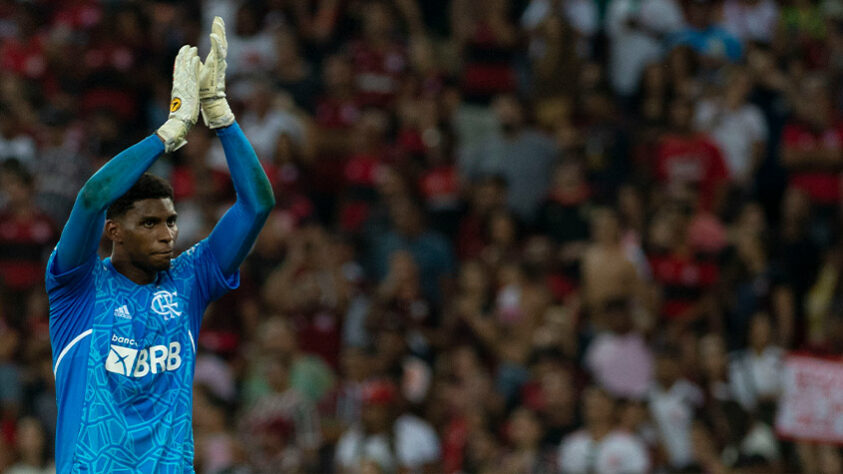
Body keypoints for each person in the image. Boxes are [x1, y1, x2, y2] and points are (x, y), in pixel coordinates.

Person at [46, 18, 274, 472]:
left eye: (170, 221)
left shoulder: (190, 279)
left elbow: (257, 206)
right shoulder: (75, 287)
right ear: (114, 230)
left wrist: (221, 117)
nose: (167, 233)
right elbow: (92, 197)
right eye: (149, 222)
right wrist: (168, 133)